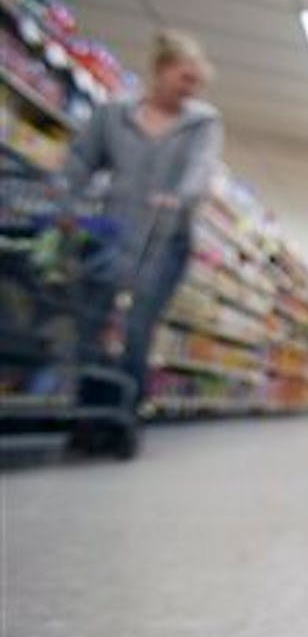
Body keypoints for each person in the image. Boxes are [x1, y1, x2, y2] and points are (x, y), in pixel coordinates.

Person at [59, 29, 223, 408]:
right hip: (113, 231)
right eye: (185, 78)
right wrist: (68, 199)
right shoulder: (113, 113)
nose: (191, 89)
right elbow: (82, 159)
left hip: (167, 238)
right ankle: (84, 405)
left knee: (138, 324)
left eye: (197, 83)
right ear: (161, 69)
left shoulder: (202, 123)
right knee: (91, 317)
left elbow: (201, 169)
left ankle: (123, 412)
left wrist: (180, 197)